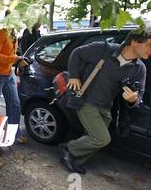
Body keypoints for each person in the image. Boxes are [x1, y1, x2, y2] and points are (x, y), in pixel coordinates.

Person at [61, 27, 151, 174]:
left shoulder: (139, 69)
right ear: (135, 42)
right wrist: (74, 76)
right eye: (149, 45)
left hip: (106, 106)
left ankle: (74, 160)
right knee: (102, 139)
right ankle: (68, 148)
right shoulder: (103, 49)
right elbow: (76, 54)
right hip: (86, 101)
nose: (150, 50)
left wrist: (133, 100)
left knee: (93, 138)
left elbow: (138, 95)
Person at [0, 15, 29, 144]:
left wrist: (18, 60)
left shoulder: (14, 35)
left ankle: (14, 135)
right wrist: (15, 58)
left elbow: (11, 56)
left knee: (15, 105)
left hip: (8, 74)